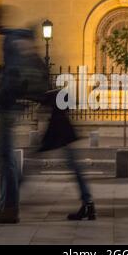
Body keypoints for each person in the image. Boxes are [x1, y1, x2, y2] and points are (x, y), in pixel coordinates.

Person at [0, 6, 48, 224]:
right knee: (6, 157)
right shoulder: (17, 39)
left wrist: (4, 97)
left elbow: (12, 74)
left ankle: (9, 207)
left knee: (6, 157)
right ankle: (7, 205)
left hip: (7, 107)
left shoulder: (9, 41)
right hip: (12, 105)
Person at [39, 91, 96, 221]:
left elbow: (51, 127)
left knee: (76, 169)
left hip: (64, 136)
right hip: (66, 136)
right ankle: (88, 204)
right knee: (76, 169)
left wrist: (41, 146)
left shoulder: (57, 116)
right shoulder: (59, 113)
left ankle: (88, 203)